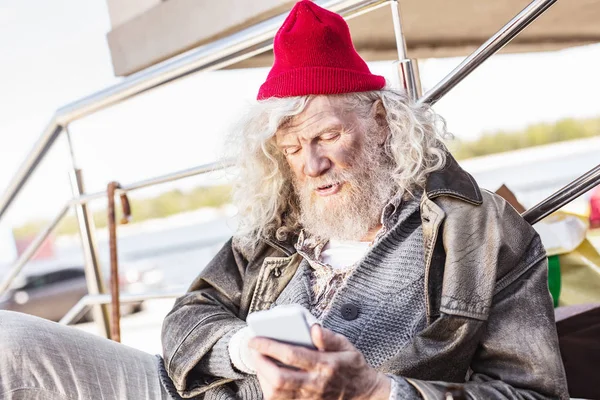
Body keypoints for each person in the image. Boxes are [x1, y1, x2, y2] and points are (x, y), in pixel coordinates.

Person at [0, 1, 568, 399]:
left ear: (378, 120)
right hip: (194, 393)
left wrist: (376, 391)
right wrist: (243, 349)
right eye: (293, 147)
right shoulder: (282, 220)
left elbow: (531, 393)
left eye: (326, 137)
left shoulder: (482, 232)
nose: (311, 165)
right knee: (10, 341)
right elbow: (188, 318)